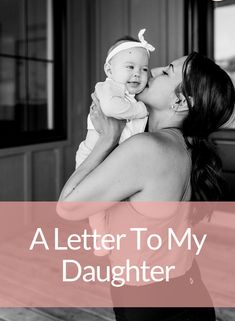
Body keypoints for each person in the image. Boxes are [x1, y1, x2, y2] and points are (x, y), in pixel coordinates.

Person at [57, 52, 235, 320]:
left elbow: (68, 208)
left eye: (167, 71)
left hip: (151, 303)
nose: (154, 70)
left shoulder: (147, 149)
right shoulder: (181, 145)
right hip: (184, 288)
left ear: (179, 101)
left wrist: (106, 139)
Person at [75, 29, 155, 256]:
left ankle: (120, 237)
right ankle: (99, 236)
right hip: (94, 157)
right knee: (97, 205)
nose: (138, 74)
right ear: (109, 70)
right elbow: (110, 109)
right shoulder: (107, 88)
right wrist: (140, 109)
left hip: (117, 159)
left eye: (144, 69)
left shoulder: (132, 96)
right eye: (130, 67)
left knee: (118, 203)